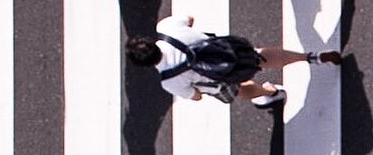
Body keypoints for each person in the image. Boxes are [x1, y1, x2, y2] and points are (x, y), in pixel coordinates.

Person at [127, 18, 340, 109]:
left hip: (222, 78)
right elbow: (189, 19)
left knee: (241, 92)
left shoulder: (169, 82)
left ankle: (270, 93)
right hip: (228, 50)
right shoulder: (167, 28)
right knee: (262, 56)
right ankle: (311, 57)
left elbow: (197, 95)